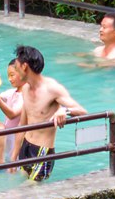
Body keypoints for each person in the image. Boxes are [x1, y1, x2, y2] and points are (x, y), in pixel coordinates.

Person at [5, 44, 84, 181]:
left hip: (42, 151)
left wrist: (64, 110)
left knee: (31, 189)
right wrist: (14, 157)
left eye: (16, 66)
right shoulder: (25, 89)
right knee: (21, 185)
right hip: (25, 146)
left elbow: (82, 111)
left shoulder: (52, 88)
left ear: (24, 67)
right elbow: (22, 125)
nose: (15, 70)